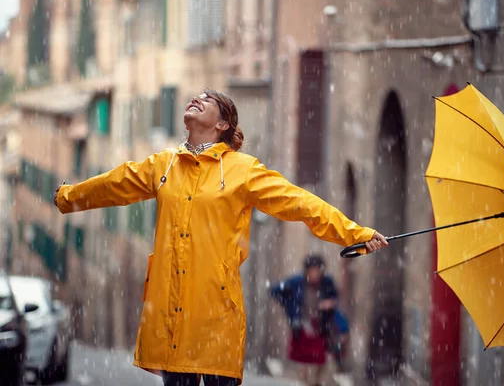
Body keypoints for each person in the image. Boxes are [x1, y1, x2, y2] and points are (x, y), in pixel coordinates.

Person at [53, 89, 388, 386]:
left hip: (217, 313)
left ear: (223, 124)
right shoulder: (164, 165)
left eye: (209, 99)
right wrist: (68, 196)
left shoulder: (242, 170)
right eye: (197, 96)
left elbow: (300, 203)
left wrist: (355, 233)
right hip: (171, 313)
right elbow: (116, 183)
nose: (197, 98)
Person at [270, 254, 350, 386]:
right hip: (302, 327)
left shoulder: (327, 283)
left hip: (320, 327)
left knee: (320, 362)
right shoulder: (296, 283)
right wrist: (290, 306)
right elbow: (275, 290)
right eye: (312, 270)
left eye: (317, 270)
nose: (315, 274)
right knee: (303, 364)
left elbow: (335, 301)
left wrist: (329, 304)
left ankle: (316, 382)